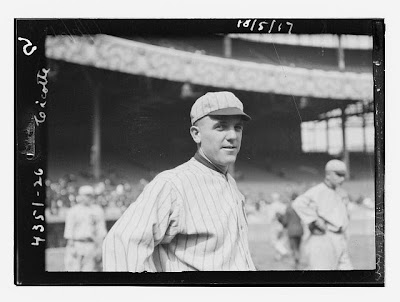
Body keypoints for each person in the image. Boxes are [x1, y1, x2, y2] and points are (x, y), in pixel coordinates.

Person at [102, 91, 256, 272]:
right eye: (221, 127)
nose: (233, 136)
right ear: (196, 134)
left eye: (238, 127)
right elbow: (120, 244)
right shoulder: (173, 184)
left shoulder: (230, 183)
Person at [292, 159, 353, 270]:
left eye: (344, 175)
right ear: (328, 175)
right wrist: (314, 220)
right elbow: (298, 203)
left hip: (340, 238)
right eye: (338, 175)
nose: (342, 179)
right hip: (324, 238)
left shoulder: (341, 193)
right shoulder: (317, 190)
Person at [63, 185, 107, 271]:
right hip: (76, 244)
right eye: (86, 195)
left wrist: (99, 248)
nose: (88, 197)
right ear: (80, 196)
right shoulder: (73, 210)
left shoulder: (98, 210)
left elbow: (101, 231)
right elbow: (69, 232)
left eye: (90, 195)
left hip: (91, 245)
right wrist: (71, 248)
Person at [278, 195, 304, 269]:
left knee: (293, 248)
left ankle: (296, 263)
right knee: (298, 247)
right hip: (300, 229)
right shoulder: (300, 207)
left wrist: (280, 219)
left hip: (291, 230)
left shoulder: (289, 208)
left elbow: (285, 222)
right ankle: (297, 262)